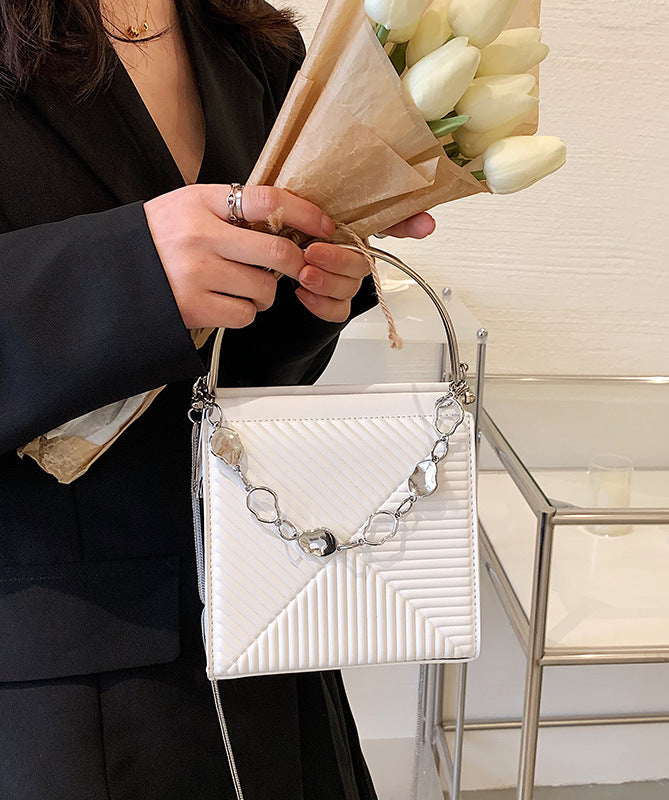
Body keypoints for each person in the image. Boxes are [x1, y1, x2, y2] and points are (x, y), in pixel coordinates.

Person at [0, 1, 435, 798]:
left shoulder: (254, 44)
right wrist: (128, 273)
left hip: (265, 626)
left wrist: (306, 302)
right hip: (59, 680)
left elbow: (229, 380)